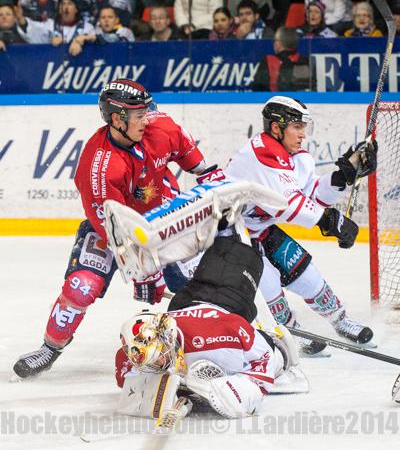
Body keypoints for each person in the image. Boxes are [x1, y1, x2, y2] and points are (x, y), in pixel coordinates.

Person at [13, 78, 209, 379]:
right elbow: (117, 234)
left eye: (147, 111)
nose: (148, 118)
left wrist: (212, 190)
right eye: (139, 115)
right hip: (113, 231)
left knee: (196, 286)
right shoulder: (99, 167)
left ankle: (210, 340)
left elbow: (201, 168)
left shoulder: (162, 127)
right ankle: (50, 349)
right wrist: (147, 271)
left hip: (165, 223)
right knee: (81, 287)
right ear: (117, 119)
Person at [224, 96, 377, 355]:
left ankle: (340, 320)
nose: (303, 134)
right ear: (276, 127)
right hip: (231, 236)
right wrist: (331, 221)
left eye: (304, 127)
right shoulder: (261, 152)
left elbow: (312, 194)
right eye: (297, 127)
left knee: (307, 273)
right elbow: (288, 205)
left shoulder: (296, 156)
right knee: (269, 285)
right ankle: (290, 331)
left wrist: (343, 175)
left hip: (260, 230)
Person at [115, 235, 308, 419]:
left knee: (239, 255)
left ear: (169, 337)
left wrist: (236, 387)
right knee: (218, 261)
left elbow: (262, 357)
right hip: (186, 300)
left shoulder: (220, 333)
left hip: (232, 300)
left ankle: (278, 346)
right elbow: (126, 379)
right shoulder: (138, 349)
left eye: (158, 357)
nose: (155, 364)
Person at [251, 26, 311, 91]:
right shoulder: (305, 61)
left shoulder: (268, 61)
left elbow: (256, 88)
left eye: (275, 40)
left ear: (279, 43)